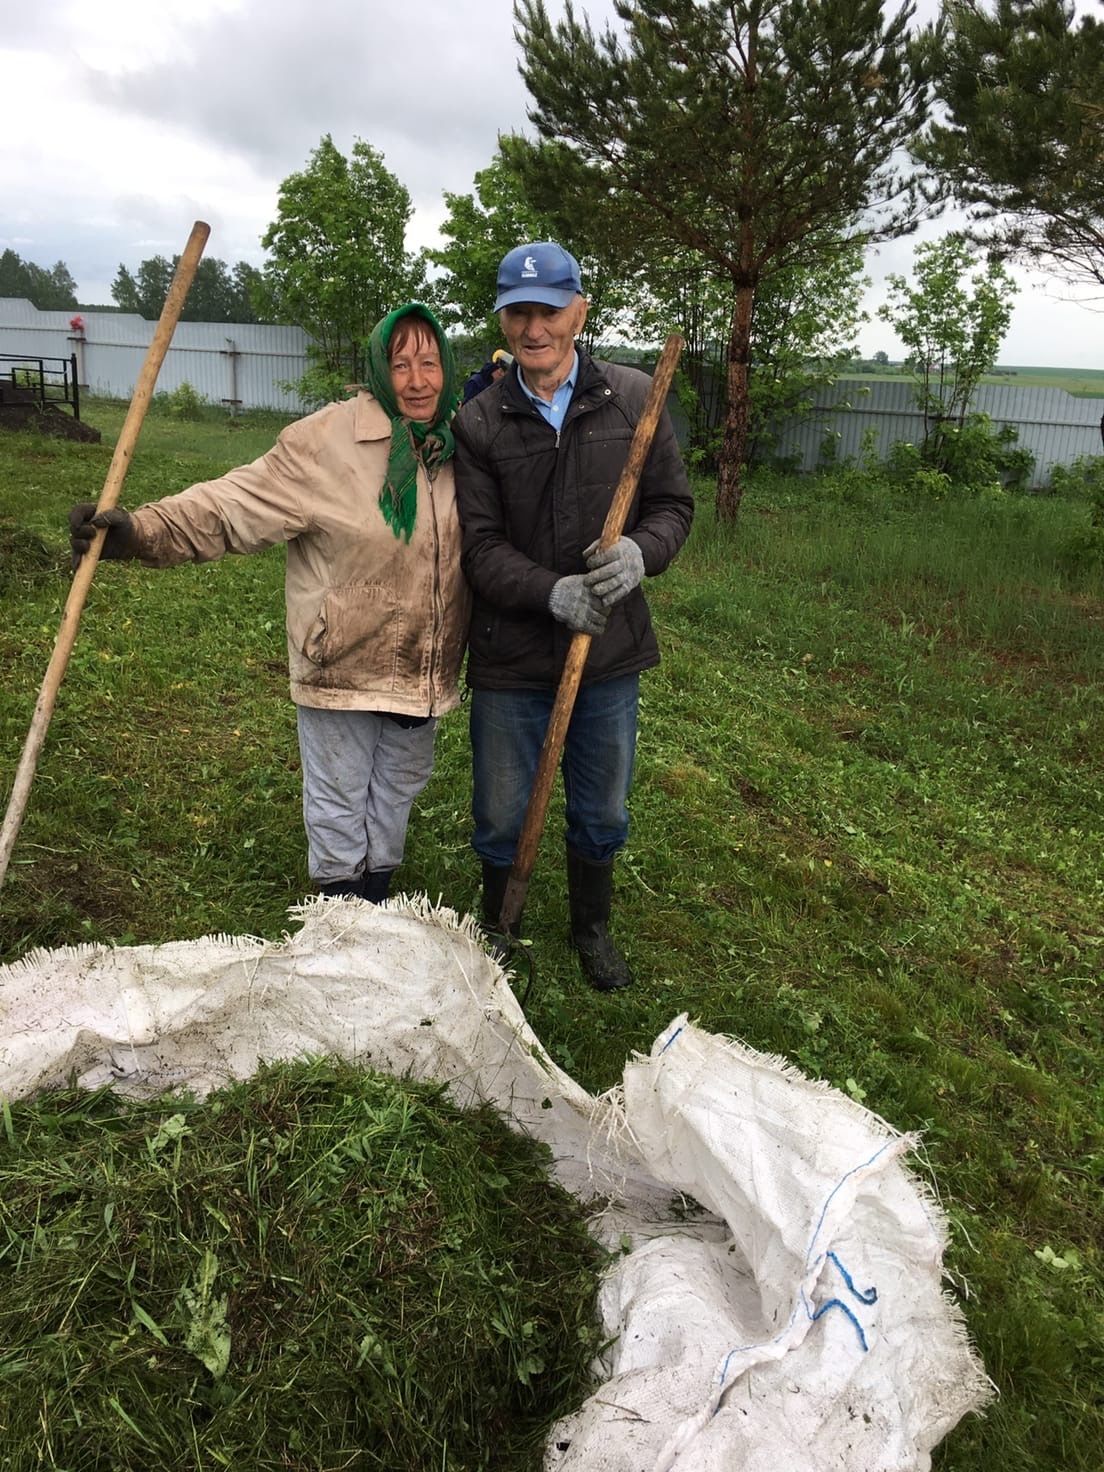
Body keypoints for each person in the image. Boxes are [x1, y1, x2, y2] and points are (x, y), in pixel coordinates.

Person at [69, 303, 469, 904]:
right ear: (378, 370)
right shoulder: (323, 444)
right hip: (344, 655)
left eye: (430, 363)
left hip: (423, 663)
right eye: (401, 364)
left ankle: (377, 897)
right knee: (339, 796)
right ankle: (339, 912)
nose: (417, 381)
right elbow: (231, 506)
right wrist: (142, 532)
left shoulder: (458, 448)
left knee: (397, 791)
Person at [453, 242, 693, 991]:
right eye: (519, 312)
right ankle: (500, 925)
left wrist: (642, 555)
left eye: (549, 310)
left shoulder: (632, 399)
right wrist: (552, 592)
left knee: (603, 803)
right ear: (503, 318)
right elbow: (481, 548)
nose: (535, 329)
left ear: (579, 312)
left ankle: (591, 928)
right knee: (499, 808)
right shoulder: (479, 422)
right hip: (513, 652)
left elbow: (672, 507)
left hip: (608, 651)